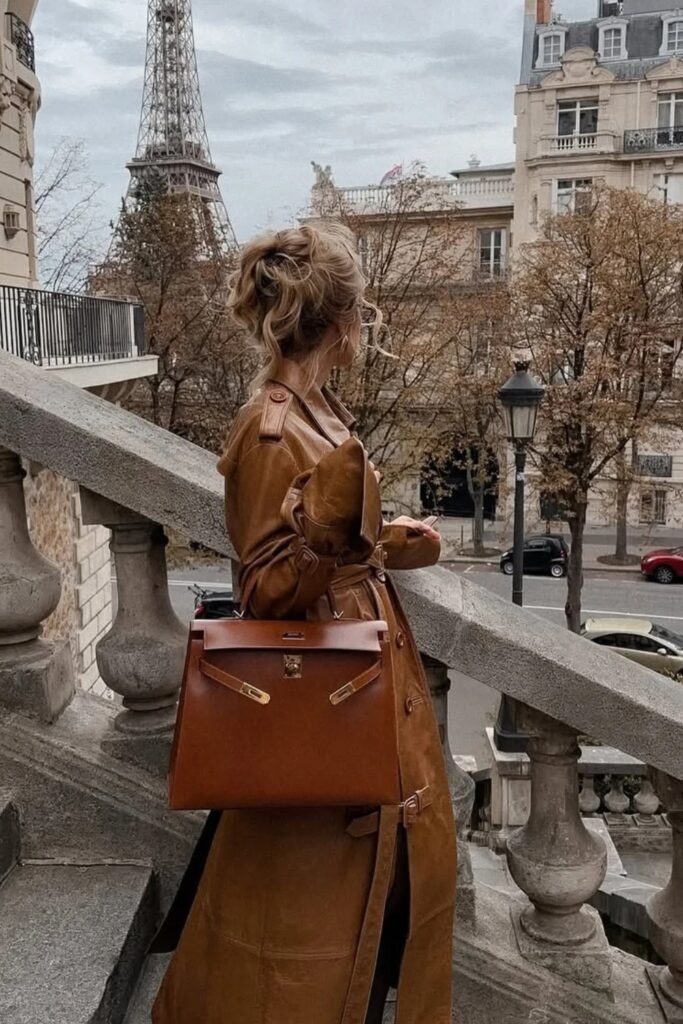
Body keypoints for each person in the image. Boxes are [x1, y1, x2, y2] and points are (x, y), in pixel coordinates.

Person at [152, 223, 457, 1024]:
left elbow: (329, 537)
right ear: (346, 321)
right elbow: (263, 587)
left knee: (357, 906)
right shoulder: (271, 426)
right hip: (316, 693)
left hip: (352, 673)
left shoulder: (320, 408)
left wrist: (386, 537)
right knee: (304, 924)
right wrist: (327, 539)